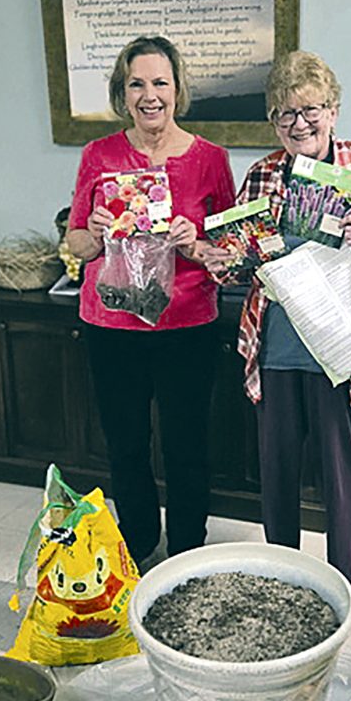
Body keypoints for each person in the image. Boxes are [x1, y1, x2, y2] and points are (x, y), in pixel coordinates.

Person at [203, 51, 351, 603]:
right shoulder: (262, 174)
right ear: (273, 121)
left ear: (333, 110)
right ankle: (283, 574)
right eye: (284, 114)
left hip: (339, 348)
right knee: (276, 472)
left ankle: (344, 579)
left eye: (309, 110)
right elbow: (242, 260)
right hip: (275, 345)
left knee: (339, 472)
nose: (298, 124)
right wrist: (225, 260)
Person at [66, 35, 235, 570]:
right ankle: (137, 543)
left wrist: (195, 243)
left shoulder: (211, 159)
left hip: (187, 325)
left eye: (160, 82)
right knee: (126, 446)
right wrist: (94, 233)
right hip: (112, 325)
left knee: (187, 445)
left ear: (177, 89)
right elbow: (76, 242)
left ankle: (186, 549)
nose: (149, 95)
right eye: (136, 84)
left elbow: (230, 249)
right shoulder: (99, 156)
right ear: (123, 93)